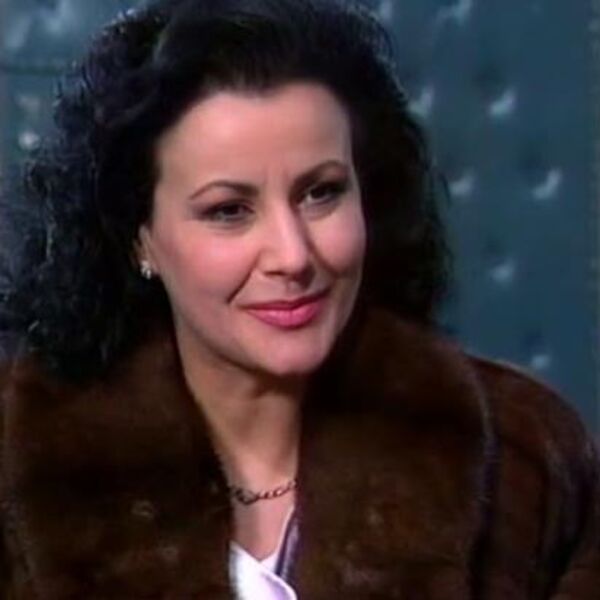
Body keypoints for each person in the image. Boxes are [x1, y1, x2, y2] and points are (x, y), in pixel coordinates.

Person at [0, 0, 598, 597]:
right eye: (229, 211)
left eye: (321, 193)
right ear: (140, 239)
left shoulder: (526, 456)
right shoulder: (17, 457)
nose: (293, 255)